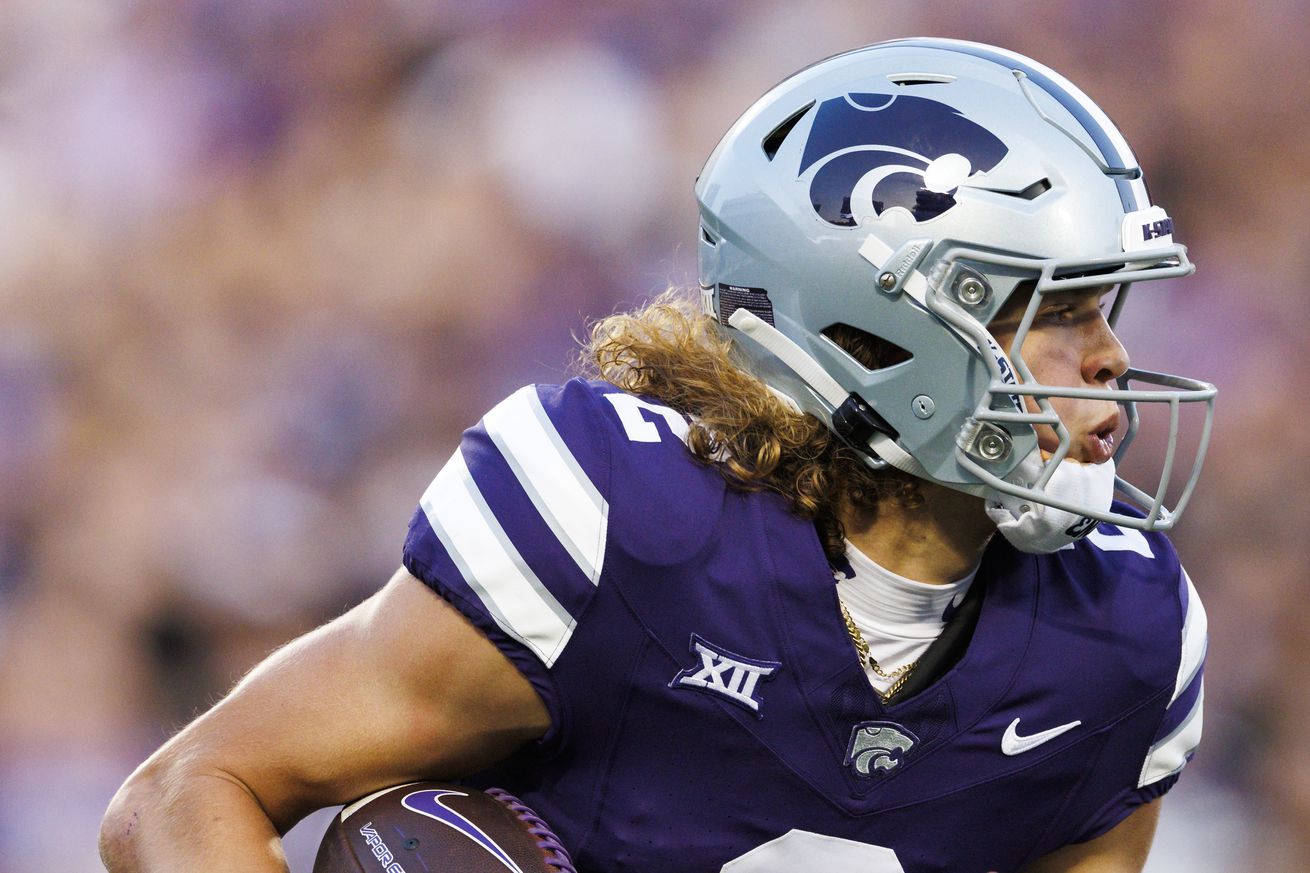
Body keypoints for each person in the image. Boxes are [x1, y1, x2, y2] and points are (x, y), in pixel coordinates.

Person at [100, 38, 1217, 873]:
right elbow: (188, 792)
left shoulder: (1118, 635)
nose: (1112, 358)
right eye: (1054, 312)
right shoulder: (617, 522)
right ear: (872, 325)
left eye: (1106, 309)